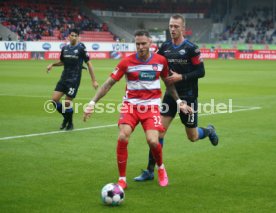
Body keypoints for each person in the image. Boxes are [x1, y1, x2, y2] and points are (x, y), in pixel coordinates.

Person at [83, 30, 193, 189]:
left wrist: (179, 102)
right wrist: (92, 102)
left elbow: (169, 84)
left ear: (150, 43)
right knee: (122, 136)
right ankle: (122, 179)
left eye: (143, 43)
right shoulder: (126, 62)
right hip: (131, 106)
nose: (140, 47)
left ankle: (161, 168)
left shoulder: (160, 61)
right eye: (138, 44)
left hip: (152, 107)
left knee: (153, 141)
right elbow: (108, 84)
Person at [134, 14, 219, 181]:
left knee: (192, 137)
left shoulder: (191, 48)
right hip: (170, 96)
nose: (172, 29)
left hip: (188, 97)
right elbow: (156, 63)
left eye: (176, 26)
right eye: (171, 26)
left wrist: (182, 77)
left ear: (183, 28)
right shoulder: (165, 47)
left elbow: (201, 72)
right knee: (158, 134)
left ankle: (209, 130)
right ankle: (151, 170)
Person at [47, 28, 98, 130]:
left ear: (78, 37)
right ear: (69, 36)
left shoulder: (81, 48)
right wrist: (52, 64)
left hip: (74, 80)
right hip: (63, 78)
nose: (74, 37)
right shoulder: (65, 48)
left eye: (76, 35)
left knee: (67, 103)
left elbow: (89, 63)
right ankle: (67, 118)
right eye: (72, 35)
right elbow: (62, 62)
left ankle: (69, 124)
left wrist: (94, 80)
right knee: (54, 100)